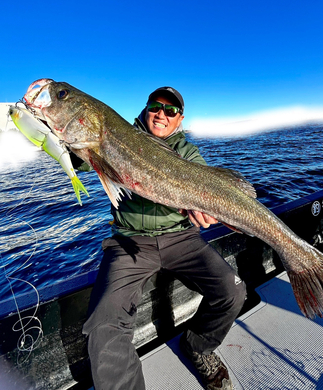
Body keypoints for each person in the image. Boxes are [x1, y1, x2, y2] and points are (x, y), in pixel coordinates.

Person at [82, 86, 246, 390]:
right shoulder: (116, 136)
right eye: (156, 106)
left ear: (179, 120)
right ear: (146, 110)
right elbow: (81, 157)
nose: (161, 114)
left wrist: (206, 210)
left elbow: (206, 188)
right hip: (130, 243)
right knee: (104, 327)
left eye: (170, 110)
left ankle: (198, 346)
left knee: (233, 291)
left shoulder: (186, 153)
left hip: (180, 237)